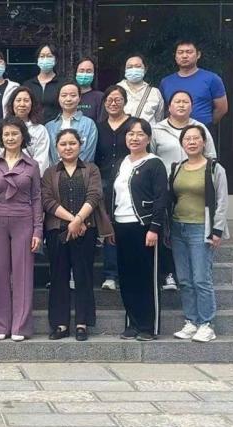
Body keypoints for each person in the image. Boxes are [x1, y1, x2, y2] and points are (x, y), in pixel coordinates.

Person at [41, 129, 112, 342]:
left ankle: (82, 322)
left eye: (72, 143)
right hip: (57, 231)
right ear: (56, 148)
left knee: (84, 276)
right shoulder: (50, 172)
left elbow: (95, 194)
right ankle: (60, 324)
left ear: (80, 145)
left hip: (85, 229)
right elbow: (47, 200)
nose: (68, 147)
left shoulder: (91, 169)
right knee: (58, 277)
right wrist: (73, 220)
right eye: (63, 144)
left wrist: (79, 220)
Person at [151, 90, 217, 291]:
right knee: (167, 231)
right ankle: (169, 273)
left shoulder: (200, 128)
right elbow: (151, 158)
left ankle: (195, 273)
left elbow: (211, 158)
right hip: (166, 190)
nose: (181, 105)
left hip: (193, 191)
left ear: (191, 106)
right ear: (169, 107)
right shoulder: (157, 130)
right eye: (177, 101)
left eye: (185, 102)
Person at [0, 116, 43, 341]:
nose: (10, 138)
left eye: (14, 134)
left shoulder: (32, 165)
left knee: (23, 274)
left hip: (23, 220)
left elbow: (36, 198)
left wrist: (37, 230)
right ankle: (0, 325)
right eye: (6, 134)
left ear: (22, 137)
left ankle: (20, 327)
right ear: (1, 138)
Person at [170, 125, 229, 343]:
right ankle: (191, 321)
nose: (192, 142)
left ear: (204, 142)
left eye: (196, 138)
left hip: (201, 229)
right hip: (178, 227)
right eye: (187, 139)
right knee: (184, 279)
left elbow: (222, 201)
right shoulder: (177, 167)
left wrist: (217, 230)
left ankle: (207, 323)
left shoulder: (214, 168)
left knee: (201, 279)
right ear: (182, 143)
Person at [113, 119, 169, 342]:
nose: (134, 138)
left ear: (148, 138)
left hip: (144, 226)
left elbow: (161, 198)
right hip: (121, 224)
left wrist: (154, 227)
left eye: (139, 134)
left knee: (146, 277)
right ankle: (132, 323)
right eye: (130, 134)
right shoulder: (122, 162)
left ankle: (148, 326)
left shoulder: (154, 163)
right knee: (127, 276)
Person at [95, 85, 135, 291]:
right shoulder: (98, 127)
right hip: (104, 183)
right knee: (108, 226)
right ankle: (110, 274)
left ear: (125, 101)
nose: (113, 103)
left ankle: (128, 272)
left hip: (129, 182)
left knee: (126, 226)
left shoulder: (134, 125)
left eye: (118, 99)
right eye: (109, 99)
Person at [159, 40, 228, 127]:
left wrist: (207, 125)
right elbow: (163, 109)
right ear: (175, 56)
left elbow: (222, 108)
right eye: (180, 52)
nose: (184, 56)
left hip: (202, 130)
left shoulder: (212, 79)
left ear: (198, 55)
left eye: (189, 52)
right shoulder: (166, 82)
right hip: (173, 130)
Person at [0, 86, 50, 176]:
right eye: (18, 100)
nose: (22, 104)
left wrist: (24, 178)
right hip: (3, 178)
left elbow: (42, 162)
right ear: (12, 103)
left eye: (26, 100)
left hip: (30, 179)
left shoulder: (40, 130)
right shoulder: (1, 128)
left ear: (32, 104)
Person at [45, 81, 98, 165]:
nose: (68, 99)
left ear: (79, 98)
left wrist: (73, 170)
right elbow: (49, 157)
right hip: (55, 172)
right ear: (58, 98)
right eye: (64, 95)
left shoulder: (89, 124)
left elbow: (88, 155)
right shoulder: (49, 127)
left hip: (82, 172)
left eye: (73, 95)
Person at [117, 54, 164, 124]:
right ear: (125, 70)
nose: (133, 69)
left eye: (138, 66)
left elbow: (159, 119)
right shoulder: (116, 90)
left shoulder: (154, 92)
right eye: (129, 67)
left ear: (145, 69)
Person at [22, 43, 63, 123]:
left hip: (56, 127)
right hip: (33, 127)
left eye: (49, 56)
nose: (45, 59)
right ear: (37, 60)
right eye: (42, 56)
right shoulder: (28, 85)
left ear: (56, 60)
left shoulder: (63, 83)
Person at [75, 57, 105, 122]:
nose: (85, 74)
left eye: (89, 71)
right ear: (76, 73)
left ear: (94, 75)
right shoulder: (67, 95)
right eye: (81, 71)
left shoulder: (100, 97)